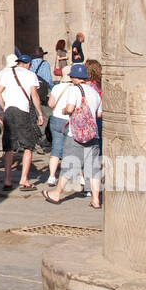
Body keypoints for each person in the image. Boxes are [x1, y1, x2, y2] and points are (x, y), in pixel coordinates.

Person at [45, 64, 103, 207]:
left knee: (69, 164)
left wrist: (65, 111)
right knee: (93, 167)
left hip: (76, 134)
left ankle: (56, 193)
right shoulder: (94, 92)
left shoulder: (74, 90)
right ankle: (96, 200)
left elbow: (70, 108)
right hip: (93, 134)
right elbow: (99, 114)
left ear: (73, 77)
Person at [0, 53, 41, 191]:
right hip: (23, 111)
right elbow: (34, 95)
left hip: (9, 111)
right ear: (27, 64)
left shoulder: (7, 73)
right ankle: (24, 179)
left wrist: (4, 107)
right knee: (28, 146)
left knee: (9, 147)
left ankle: (7, 180)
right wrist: (39, 113)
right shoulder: (30, 75)